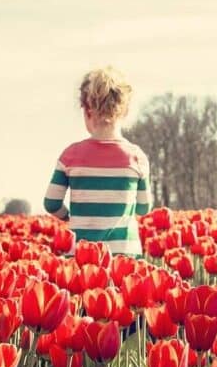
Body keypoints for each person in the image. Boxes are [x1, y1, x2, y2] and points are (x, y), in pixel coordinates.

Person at [43, 66, 152, 256]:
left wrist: (69, 216)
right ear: (125, 111)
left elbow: (51, 203)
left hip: (81, 255)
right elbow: (144, 207)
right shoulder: (136, 157)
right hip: (124, 254)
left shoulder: (71, 155)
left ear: (87, 111)